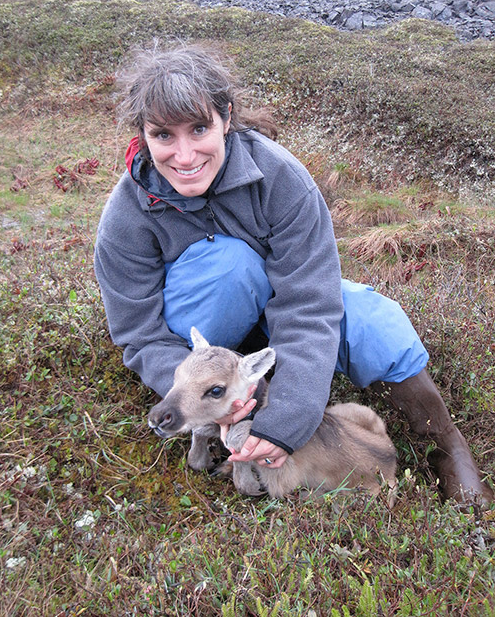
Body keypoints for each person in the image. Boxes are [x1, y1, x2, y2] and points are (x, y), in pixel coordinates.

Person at [94, 42, 492, 508]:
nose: (184, 155)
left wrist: (288, 417)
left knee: (371, 320)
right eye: (163, 135)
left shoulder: (282, 179)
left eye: (199, 128)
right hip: (201, 337)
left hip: (275, 306)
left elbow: (308, 304)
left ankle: (446, 444)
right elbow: (141, 335)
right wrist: (199, 391)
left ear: (226, 117)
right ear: (143, 136)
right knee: (229, 268)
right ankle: (223, 411)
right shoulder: (126, 217)